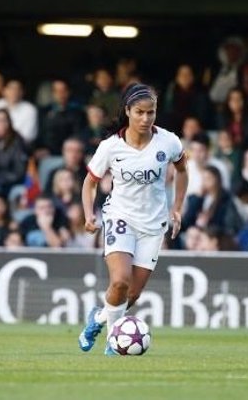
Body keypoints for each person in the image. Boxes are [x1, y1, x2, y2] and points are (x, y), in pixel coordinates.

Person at [78, 83, 188, 355]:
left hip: (153, 225)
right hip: (120, 217)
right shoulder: (111, 147)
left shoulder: (169, 141)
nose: (146, 119)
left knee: (132, 295)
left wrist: (177, 207)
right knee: (120, 281)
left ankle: (99, 318)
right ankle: (112, 345)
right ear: (127, 111)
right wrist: (89, 214)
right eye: (140, 112)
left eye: (151, 113)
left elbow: (182, 170)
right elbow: (89, 183)